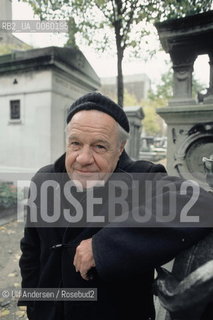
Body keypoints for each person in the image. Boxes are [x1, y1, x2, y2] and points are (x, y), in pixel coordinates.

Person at [19, 92, 212, 320]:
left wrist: (104, 246)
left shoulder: (141, 176)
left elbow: (203, 205)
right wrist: (32, 303)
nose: (83, 158)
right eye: (75, 144)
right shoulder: (44, 179)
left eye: (99, 146)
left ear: (120, 149)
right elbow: (31, 250)